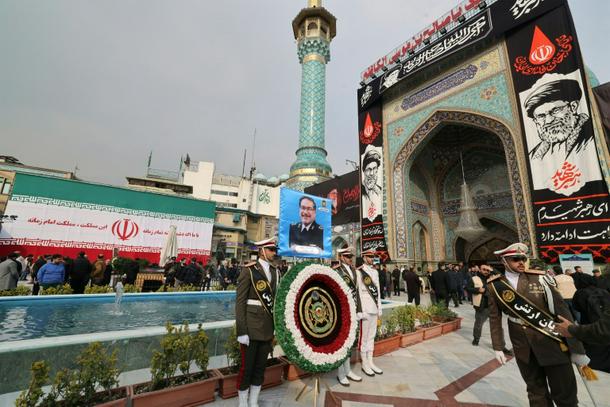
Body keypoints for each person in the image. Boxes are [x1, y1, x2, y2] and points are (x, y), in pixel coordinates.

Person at [487, 243, 588, 407]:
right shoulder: (495, 286)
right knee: (535, 392)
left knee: (564, 392)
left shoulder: (540, 279)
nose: (521, 262)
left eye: (523, 258)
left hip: (552, 341)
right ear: (504, 261)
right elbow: (494, 318)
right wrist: (498, 347)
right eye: (515, 259)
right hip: (523, 345)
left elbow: (563, 312)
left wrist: (577, 349)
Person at [235, 238, 280, 407]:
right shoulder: (249, 271)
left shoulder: (276, 272)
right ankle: (243, 402)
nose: (274, 253)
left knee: (261, 368)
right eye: (271, 250)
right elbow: (240, 303)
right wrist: (242, 331)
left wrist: (275, 328)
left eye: (275, 250)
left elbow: (275, 300)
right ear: (262, 251)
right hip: (251, 327)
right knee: (247, 368)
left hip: (267, 328)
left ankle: (253, 401)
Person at [525, 79, 593, 161]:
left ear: (573, 107)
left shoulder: (592, 136)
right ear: (536, 121)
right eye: (541, 116)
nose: (549, 120)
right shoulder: (534, 156)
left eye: (555, 111)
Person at [333, 246, 363, 387]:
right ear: (341, 257)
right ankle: (341, 373)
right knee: (341, 343)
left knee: (350, 342)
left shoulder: (354, 271)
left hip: (352, 310)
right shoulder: (336, 271)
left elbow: (357, 292)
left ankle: (348, 370)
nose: (350, 259)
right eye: (347, 256)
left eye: (351, 256)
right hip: (342, 311)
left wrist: (359, 310)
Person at [571, 274, 610, 373]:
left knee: (593, 348)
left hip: (589, 324)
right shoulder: (603, 291)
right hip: (604, 323)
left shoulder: (580, 293)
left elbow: (576, 307)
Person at [357, 249, 383, 376]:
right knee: (364, 337)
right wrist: (360, 310)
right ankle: (364, 363)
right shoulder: (359, 272)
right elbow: (358, 293)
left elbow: (377, 292)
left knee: (372, 336)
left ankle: (370, 361)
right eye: (369, 256)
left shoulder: (375, 272)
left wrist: (379, 308)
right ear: (364, 257)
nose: (372, 259)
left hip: (374, 308)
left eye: (373, 257)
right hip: (365, 309)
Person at [465, 264, 493, 346]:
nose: (486, 271)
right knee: (478, 324)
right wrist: (477, 290)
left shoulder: (493, 278)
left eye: (488, 270)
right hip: (482, 305)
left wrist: (492, 270)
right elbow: (467, 288)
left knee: (497, 327)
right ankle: (476, 339)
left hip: (493, 305)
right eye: (484, 269)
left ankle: (500, 344)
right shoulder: (474, 278)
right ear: (480, 270)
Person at [361, 147, 383, 222]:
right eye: (369, 169)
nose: (372, 173)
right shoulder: (361, 191)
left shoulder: (379, 190)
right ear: (364, 171)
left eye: (374, 169)